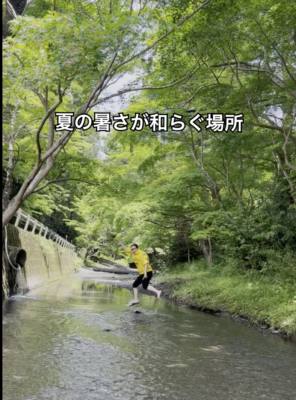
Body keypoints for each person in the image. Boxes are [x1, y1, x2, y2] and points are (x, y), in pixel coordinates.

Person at [119, 240, 162, 306]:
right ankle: (136, 299)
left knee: (145, 286)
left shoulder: (141, 254)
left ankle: (157, 291)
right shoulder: (133, 252)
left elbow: (145, 264)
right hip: (143, 273)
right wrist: (121, 244)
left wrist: (145, 274)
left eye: (134, 249)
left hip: (147, 272)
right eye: (132, 249)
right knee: (135, 285)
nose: (132, 250)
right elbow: (126, 249)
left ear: (137, 248)